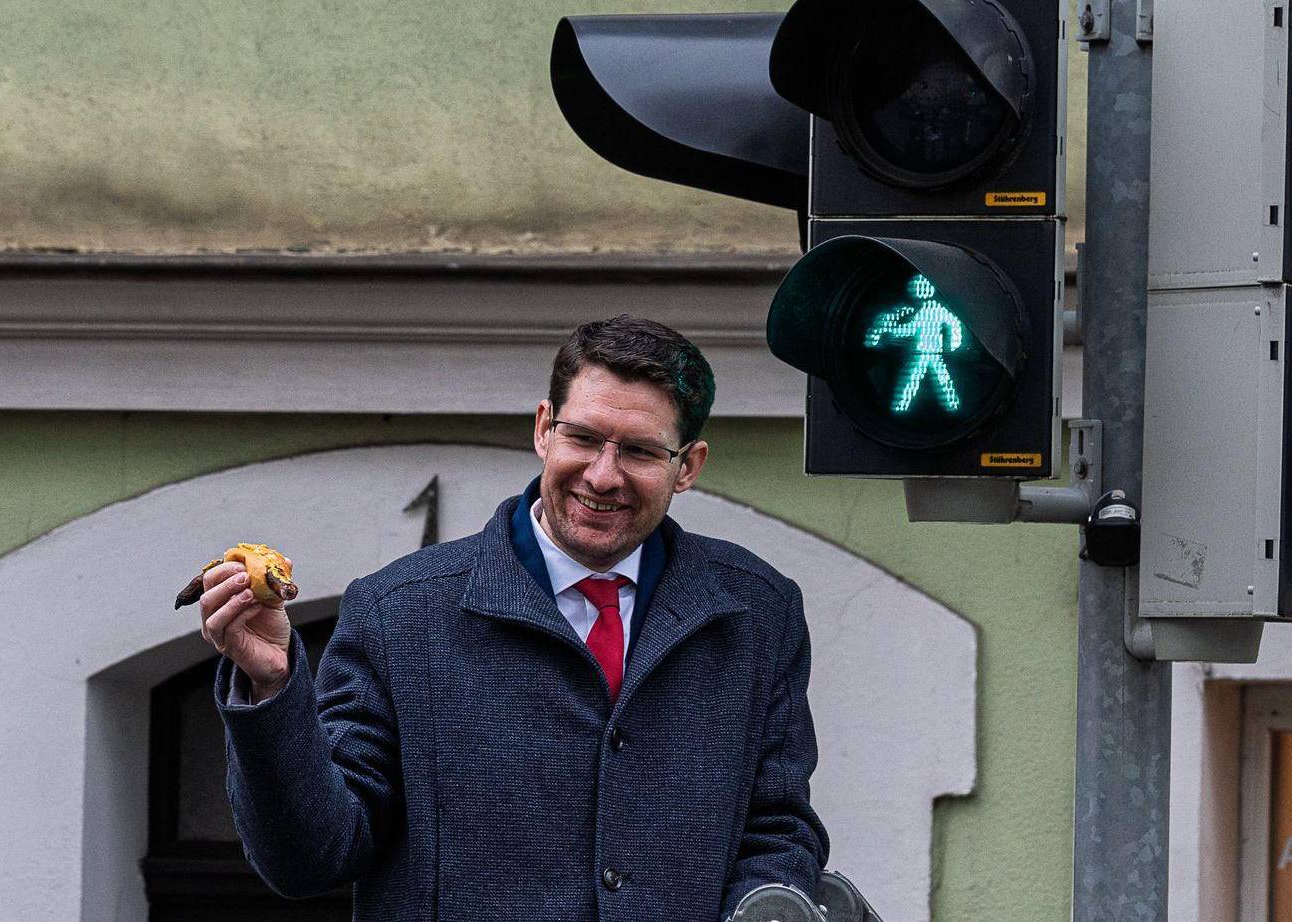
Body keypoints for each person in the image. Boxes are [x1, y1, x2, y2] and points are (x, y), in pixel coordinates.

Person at [195, 315, 830, 921]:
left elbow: (778, 827)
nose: (602, 476)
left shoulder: (756, 612)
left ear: (687, 466)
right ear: (543, 430)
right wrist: (275, 689)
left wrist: (769, 905)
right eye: (582, 438)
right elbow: (311, 858)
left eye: (638, 451)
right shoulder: (399, 614)